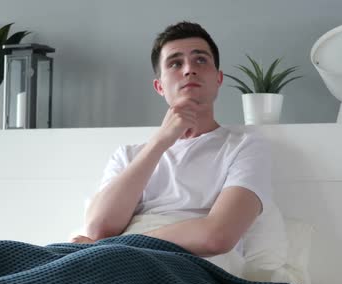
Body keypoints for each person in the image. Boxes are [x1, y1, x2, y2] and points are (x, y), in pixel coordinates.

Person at [71, 21, 271, 260]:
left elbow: (218, 235)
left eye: (200, 60)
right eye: (175, 63)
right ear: (159, 86)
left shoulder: (244, 146)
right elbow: (98, 228)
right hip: (116, 260)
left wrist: (120, 246)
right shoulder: (128, 156)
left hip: (187, 265)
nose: (189, 69)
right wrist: (160, 142)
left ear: (218, 79)